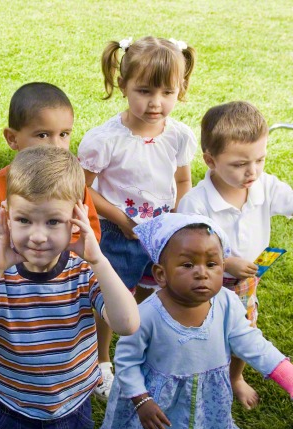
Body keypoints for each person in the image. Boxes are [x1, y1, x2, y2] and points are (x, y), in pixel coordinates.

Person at [0, 146, 139, 429]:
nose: (38, 235)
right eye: (24, 220)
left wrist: (99, 261)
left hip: (74, 408)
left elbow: (127, 323)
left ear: (76, 219)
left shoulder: (84, 271)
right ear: (6, 216)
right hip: (9, 411)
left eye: (53, 221)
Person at [97, 213, 293, 429]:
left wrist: (288, 377)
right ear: (161, 274)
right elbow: (127, 361)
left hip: (206, 401)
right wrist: (141, 399)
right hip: (153, 407)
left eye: (211, 264)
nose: (202, 272)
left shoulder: (227, 303)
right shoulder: (147, 314)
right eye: (188, 264)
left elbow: (253, 344)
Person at [0, 82, 114, 399]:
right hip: (13, 287)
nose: (55, 144)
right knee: (21, 337)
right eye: (42, 134)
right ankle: (15, 375)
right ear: (12, 138)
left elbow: (87, 228)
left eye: (64, 134)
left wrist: (57, 253)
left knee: (63, 333)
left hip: (63, 281)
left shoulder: (73, 181)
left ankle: (92, 368)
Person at [177, 101, 293, 409]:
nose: (252, 171)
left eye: (260, 159)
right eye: (240, 164)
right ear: (210, 160)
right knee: (201, 336)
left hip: (244, 285)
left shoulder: (264, 186)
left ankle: (234, 377)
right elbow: (186, 253)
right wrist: (226, 262)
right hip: (202, 284)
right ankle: (194, 380)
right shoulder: (196, 203)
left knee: (243, 332)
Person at [78, 36, 197, 302]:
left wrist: (177, 220)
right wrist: (122, 220)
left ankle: (141, 340)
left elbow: (182, 181)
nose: (156, 102)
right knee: (111, 298)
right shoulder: (106, 140)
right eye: (145, 91)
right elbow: (80, 188)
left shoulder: (179, 135)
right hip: (117, 235)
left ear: (181, 88)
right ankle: (102, 344)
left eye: (167, 92)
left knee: (154, 292)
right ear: (123, 85)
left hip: (161, 233)